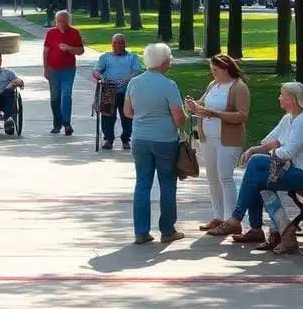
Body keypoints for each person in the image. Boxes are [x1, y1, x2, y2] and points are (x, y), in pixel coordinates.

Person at [207, 82, 303, 253]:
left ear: (293, 99)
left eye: (282, 95)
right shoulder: (289, 118)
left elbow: (286, 152)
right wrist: (254, 149)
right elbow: (270, 141)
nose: (279, 98)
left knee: (257, 179)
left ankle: (249, 224)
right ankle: (253, 227)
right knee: (256, 166)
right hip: (296, 169)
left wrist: (271, 150)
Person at [124, 43, 186, 244]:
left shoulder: (134, 83)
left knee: (142, 183)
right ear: (163, 62)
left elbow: (128, 112)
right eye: (169, 59)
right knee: (167, 184)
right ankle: (167, 230)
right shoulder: (169, 85)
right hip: (165, 140)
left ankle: (141, 231)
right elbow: (179, 118)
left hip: (140, 139)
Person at [186, 54, 252, 234]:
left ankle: (232, 220)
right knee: (212, 178)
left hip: (228, 140)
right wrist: (193, 106)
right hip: (208, 139)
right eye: (212, 70)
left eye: (216, 70)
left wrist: (214, 114)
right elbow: (202, 105)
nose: (213, 73)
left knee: (225, 177)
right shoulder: (213, 85)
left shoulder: (238, 87)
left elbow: (242, 115)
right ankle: (218, 216)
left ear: (226, 69)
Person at [92, 33, 144, 149]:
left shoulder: (132, 57)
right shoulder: (105, 57)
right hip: (109, 91)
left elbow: (137, 71)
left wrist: (127, 79)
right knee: (107, 117)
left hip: (127, 92)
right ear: (111, 44)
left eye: (121, 43)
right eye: (115, 43)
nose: (118, 45)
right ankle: (108, 139)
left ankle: (125, 139)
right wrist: (101, 78)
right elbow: (96, 70)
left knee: (127, 117)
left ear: (125, 44)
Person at [42, 10, 85, 135]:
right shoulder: (51, 33)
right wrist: (45, 68)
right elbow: (46, 51)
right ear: (56, 21)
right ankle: (57, 124)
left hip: (68, 69)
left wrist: (69, 48)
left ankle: (66, 123)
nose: (61, 23)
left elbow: (81, 50)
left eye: (63, 21)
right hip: (53, 69)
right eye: (59, 21)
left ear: (68, 21)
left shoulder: (74, 32)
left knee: (66, 95)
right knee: (55, 97)